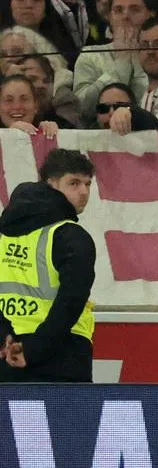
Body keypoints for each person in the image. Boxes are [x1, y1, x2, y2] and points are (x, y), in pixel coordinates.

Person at [0, 148, 96, 382]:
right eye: (73, 183)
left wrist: (4, 337)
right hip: (63, 351)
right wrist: (34, 349)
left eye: (88, 184)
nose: (84, 192)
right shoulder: (70, 235)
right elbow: (70, 301)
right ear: (50, 184)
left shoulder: (3, 233)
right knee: (66, 419)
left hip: (6, 351)